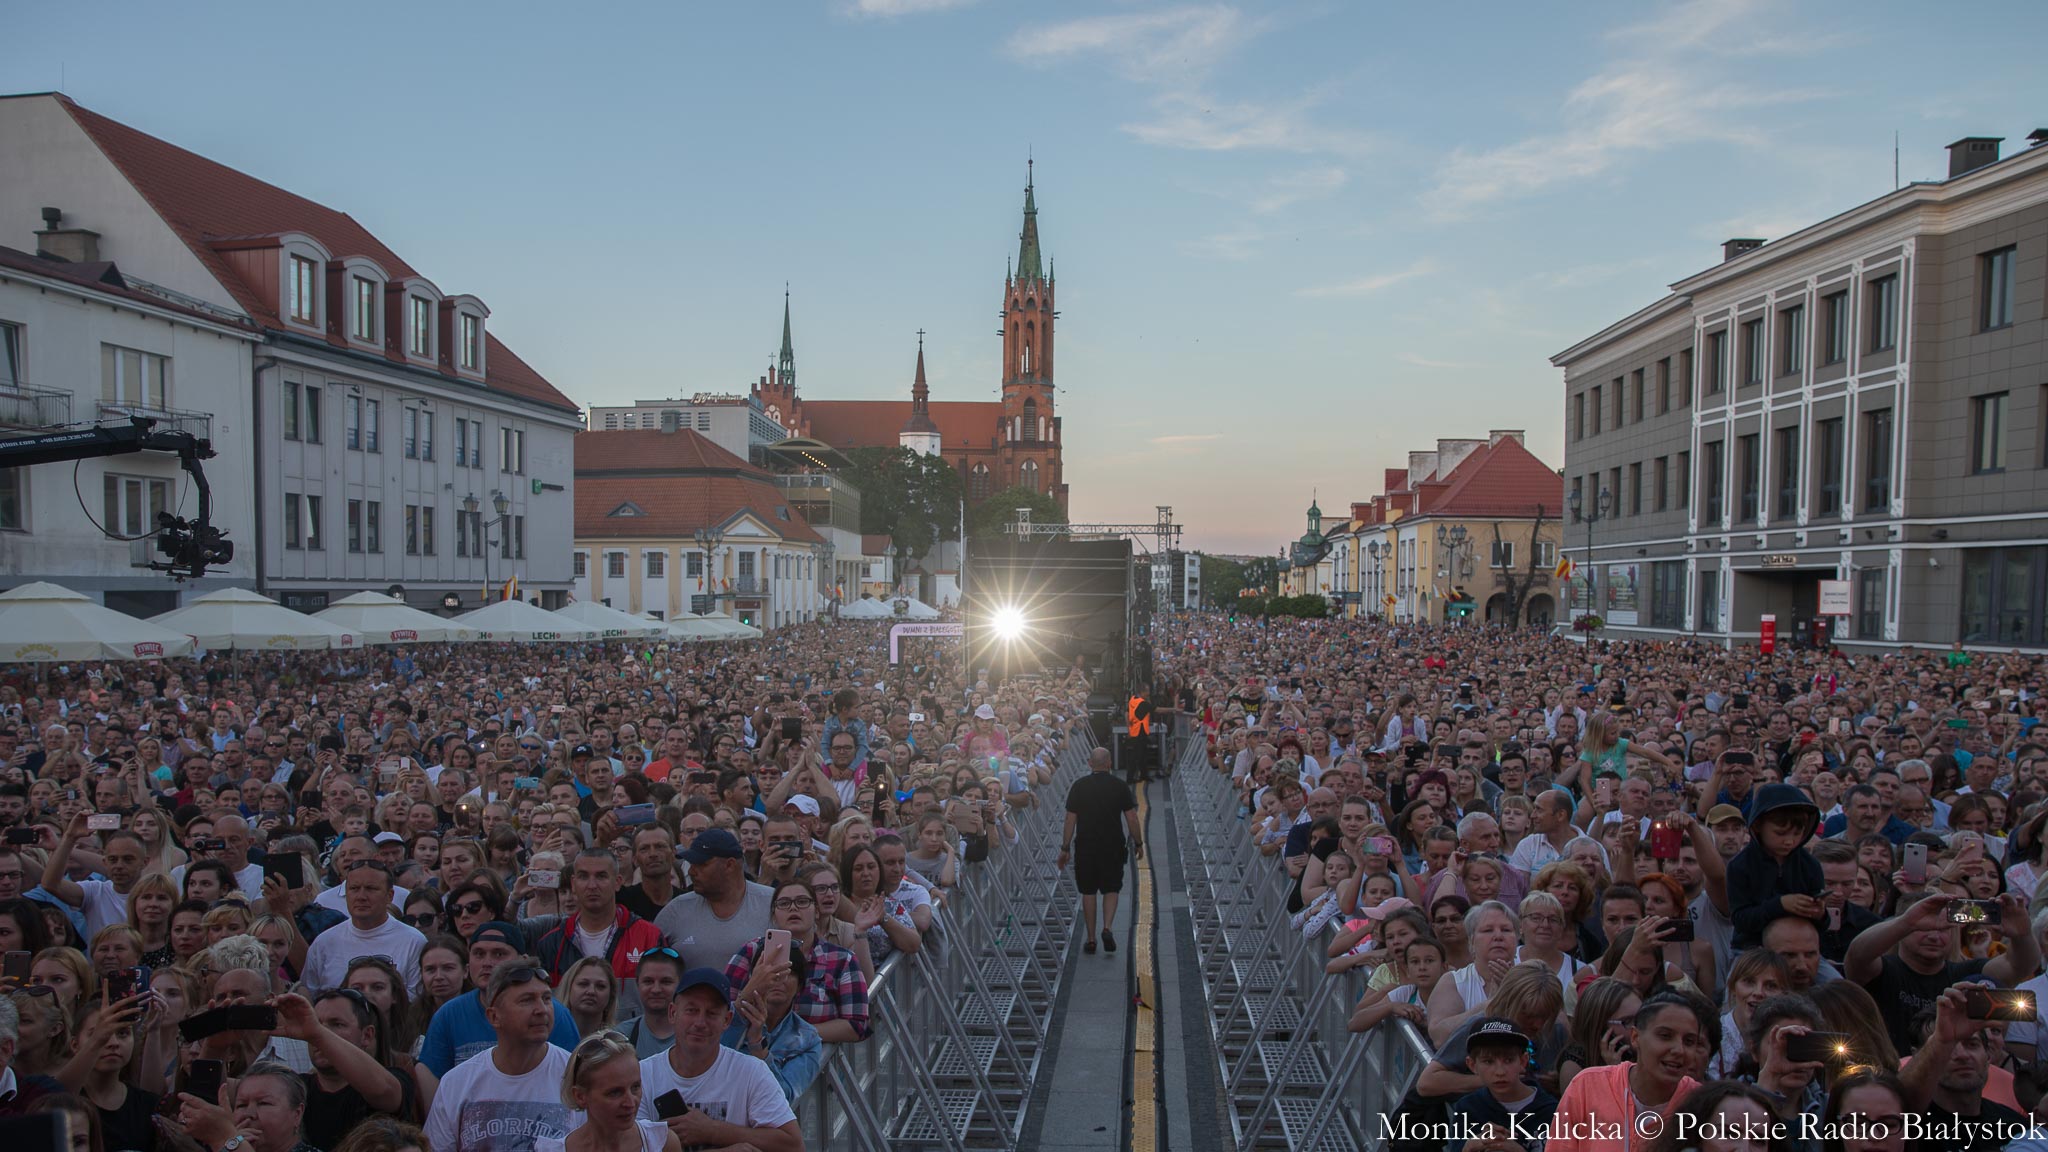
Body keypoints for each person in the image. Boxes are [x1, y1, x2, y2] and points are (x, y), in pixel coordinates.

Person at [634, 968, 799, 1152]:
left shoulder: (751, 1071)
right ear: (673, 1013)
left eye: (712, 1013)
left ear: (727, 1020)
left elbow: (793, 1145)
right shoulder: (642, 1075)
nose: (700, 1022)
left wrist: (713, 1131)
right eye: (691, 1010)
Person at [423, 959, 575, 1152]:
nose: (542, 1010)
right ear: (494, 1017)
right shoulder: (457, 1082)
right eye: (526, 1000)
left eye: (546, 999)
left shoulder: (576, 1076)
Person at [1546, 992, 1712, 1152]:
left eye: (1689, 1041)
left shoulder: (1701, 1104)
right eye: (1665, 1036)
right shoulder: (1587, 1086)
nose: (1679, 1050)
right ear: (1635, 1037)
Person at [418, 924, 584, 1078]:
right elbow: (432, 1079)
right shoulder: (449, 1015)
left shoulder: (551, 1013)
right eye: (478, 954)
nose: (487, 963)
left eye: (499, 954)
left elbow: (572, 1078)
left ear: (523, 960)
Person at [280, 990, 414, 1150]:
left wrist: (318, 1034)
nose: (316, 1032)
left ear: (367, 1035)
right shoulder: (294, 1088)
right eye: (316, 1023)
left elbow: (383, 1091)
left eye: (337, 1024)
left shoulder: (395, 1078)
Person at [534, 850, 662, 1014]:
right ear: (573, 883)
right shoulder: (551, 943)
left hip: (629, 1037)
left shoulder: (649, 937)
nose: (592, 885)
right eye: (583, 876)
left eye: (601, 876)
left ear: (617, 882)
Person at [534, 1031, 678, 1152]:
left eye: (635, 1087)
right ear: (580, 1096)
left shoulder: (661, 1143)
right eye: (615, 1093)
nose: (630, 1102)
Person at [651, 831, 773, 974]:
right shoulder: (675, 910)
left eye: (701, 864)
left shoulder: (772, 903)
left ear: (730, 865)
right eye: (691, 864)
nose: (691, 871)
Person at [1058, 746, 1141, 955]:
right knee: (1111, 888)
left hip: (1086, 845)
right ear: (1110, 763)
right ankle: (1107, 927)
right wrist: (1139, 842)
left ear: (1089, 763)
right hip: (1113, 845)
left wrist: (1065, 847)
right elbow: (1131, 817)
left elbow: (1070, 819)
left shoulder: (1079, 786)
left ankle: (1092, 938)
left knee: (1088, 891)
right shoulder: (1120, 786)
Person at [719, 943, 822, 1104]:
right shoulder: (724, 1016)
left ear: (800, 986)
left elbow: (784, 1096)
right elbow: (704, 1062)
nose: (779, 979)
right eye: (771, 971)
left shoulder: (808, 1038)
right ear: (755, 977)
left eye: (788, 973)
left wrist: (758, 1047)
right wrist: (744, 1002)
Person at [1727, 783, 1826, 950]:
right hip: (1752, 948)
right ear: (1758, 826)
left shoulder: (1810, 864)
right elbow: (1740, 920)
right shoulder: (1740, 866)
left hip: (1801, 947)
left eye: (1797, 833)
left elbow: (1823, 925)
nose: (1789, 841)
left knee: (1832, 977)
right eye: (1780, 833)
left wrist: (1819, 914)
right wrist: (1780, 905)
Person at [301, 862, 426, 992]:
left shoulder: (413, 941)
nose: (361, 897)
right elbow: (311, 995)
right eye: (354, 888)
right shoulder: (323, 943)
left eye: (371, 888)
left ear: (390, 896)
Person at [1444, 1018, 1558, 1152]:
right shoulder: (1468, 1108)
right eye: (1488, 1061)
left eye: (1508, 1060)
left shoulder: (1553, 1111)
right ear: (1472, 1065)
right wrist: (1469, 1147)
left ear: (1523, 1061)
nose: (1500, 1072)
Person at [613, 947, 683, 1059]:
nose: (656, 989)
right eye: (648, 981)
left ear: (681, 985)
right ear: (637, 983)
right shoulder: (621, 1037)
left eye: (666, 982)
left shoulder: (697, 1035)